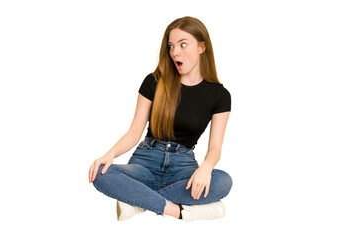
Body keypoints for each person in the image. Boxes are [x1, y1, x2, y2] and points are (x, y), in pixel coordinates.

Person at [88, 16, 233, 221]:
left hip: (183, 168)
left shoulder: (220, 95)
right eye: (171, 46)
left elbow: (215, 148)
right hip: (145, 162)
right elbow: (134, 132)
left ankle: (137, 202)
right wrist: (109, 155)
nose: (175, 52)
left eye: (183, 44)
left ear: (202, 47)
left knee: (223, 181)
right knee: (102, 174)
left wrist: (206, 168)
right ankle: (180, 211)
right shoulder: (154, 81)